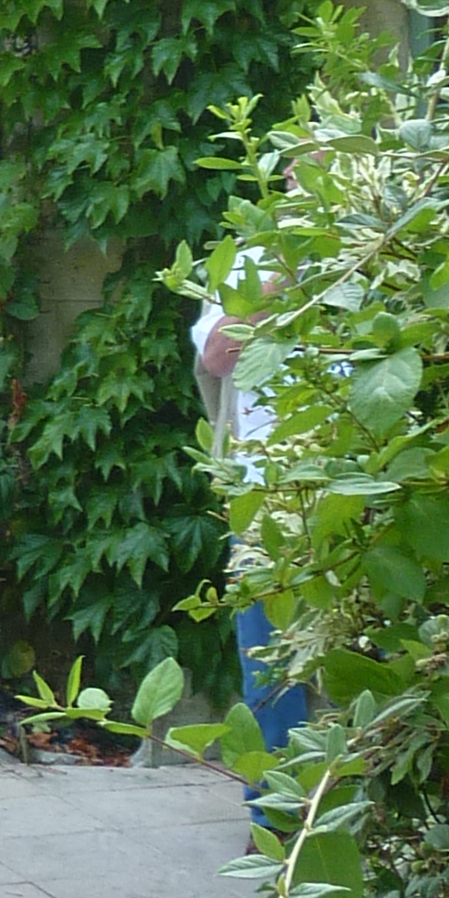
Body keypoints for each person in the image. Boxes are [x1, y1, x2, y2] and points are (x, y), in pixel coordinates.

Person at [193, 284, 311, 780]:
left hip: (364, 484)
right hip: (265, 499)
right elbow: (218, 354)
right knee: (270, 665)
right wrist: (281, 280)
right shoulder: (243, 260)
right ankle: (278, 815)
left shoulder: (381, 244)